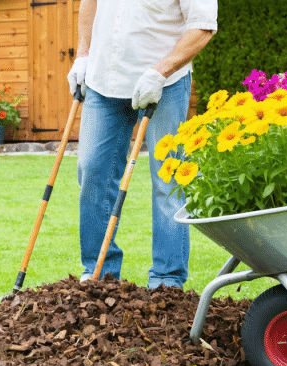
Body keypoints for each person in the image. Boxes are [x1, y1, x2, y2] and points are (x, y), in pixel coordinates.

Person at [67, 0, 217, 289]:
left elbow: (202, 27)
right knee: (92, 170)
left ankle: (166, 280)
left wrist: (160, 71)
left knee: (168, 177)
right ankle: (100, 273)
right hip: (103, 81)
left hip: (164, 83)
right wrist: (83, 55)